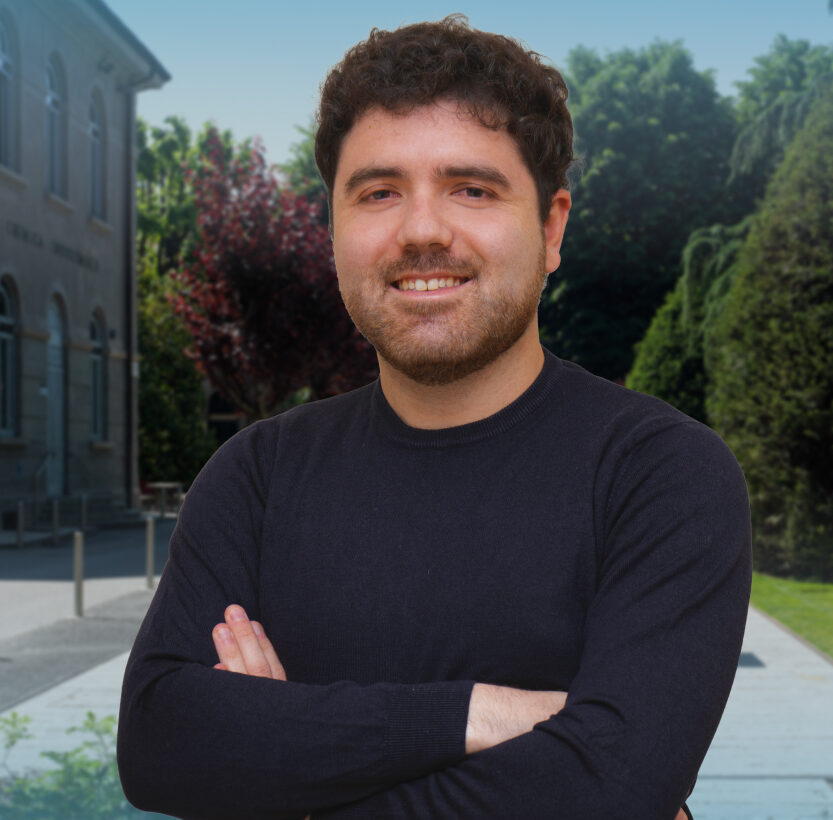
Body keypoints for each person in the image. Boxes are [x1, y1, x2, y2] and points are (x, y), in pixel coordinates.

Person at [117, 16, 751, 820]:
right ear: (334, 228)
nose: (421, 230)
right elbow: (159, 746)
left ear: (551, 227)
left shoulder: (658, 473)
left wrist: (287, 766)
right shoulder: (257, 475)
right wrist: (478, 715)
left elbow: (610, 786)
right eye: (378, 193)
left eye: (472, 189)